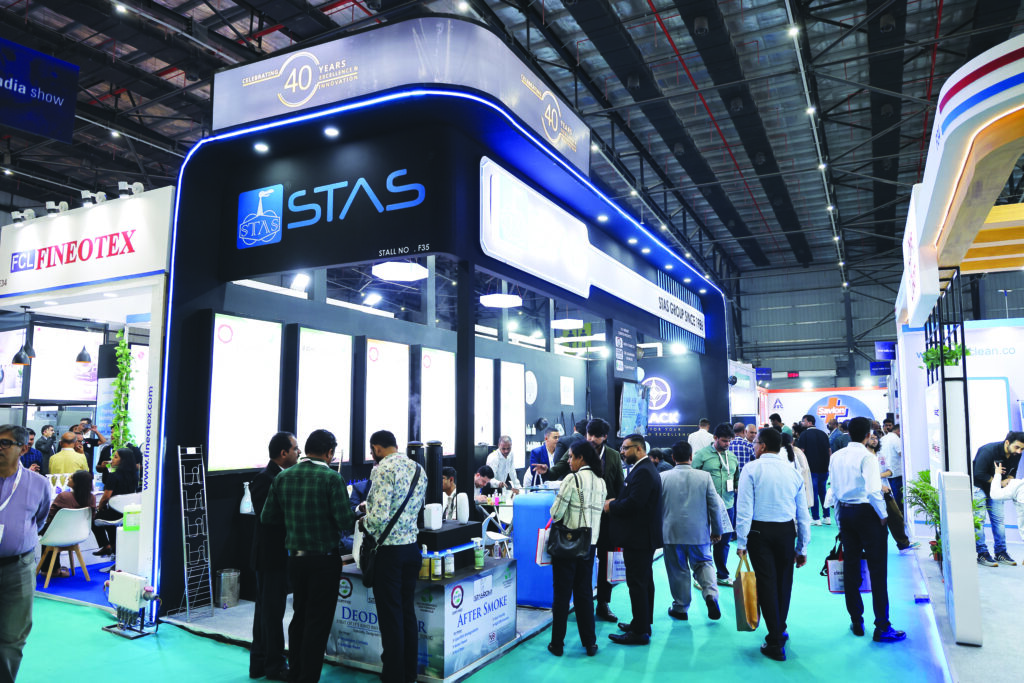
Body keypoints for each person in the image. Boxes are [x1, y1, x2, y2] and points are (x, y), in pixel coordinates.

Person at [261, 429, 354, 683]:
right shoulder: (332, 478)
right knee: (318, 621)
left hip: (295, 559)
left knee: (299, 617)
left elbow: (267, 517)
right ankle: (308, 678)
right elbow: (345, 521)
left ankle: (296, 673)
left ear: (307, 449)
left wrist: (294, 521)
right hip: (324, 560)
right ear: (329, 453)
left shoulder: (283, 477)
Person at [735, 428, 811, 661]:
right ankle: (780, 627)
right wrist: (803, 547)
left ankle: (775, 640)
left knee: (766, 583)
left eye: (755, 443)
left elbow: (745, 509)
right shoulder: (792, 472)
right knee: (784, 582)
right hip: (786, 531)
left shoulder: (751, 469)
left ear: (763, 446)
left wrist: (741, 540)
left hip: (759, 532)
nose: (753, 446)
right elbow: (803, 513)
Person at [829, 417, 906, 643]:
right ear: (867, 435)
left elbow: (834, 490)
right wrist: (883, 515)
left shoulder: (836, 456)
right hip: (868, 514)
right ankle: (882, 626)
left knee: (851, 567)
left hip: (846, 513)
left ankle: (856, 620)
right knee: (877, 570)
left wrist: (839, 519)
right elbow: (873, 491)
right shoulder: (867, 456)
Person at [363, 430, 427, 683]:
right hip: (411, 549)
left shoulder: (383, 470)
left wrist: (362, 521)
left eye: (372, 451)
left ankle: (393, 676)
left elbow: (378, 518)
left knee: (391, 618)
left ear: (377, 448)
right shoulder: (419, 469)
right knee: (406, 613)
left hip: (389, 553)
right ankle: (409, 675)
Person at [0, 424, 51, 683]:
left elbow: (39, 520)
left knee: (12, 636)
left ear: (23, 449)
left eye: (5, 443)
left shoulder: (39, 484)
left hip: (17, 568)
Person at [249, 432, 301, 681]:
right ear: (283, 453)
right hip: (271, 557)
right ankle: (274, 665)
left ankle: (260, 663)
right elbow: (268, 517)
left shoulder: (280, 477)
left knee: (267, 611)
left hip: (277, 556)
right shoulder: (265, 479)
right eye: (295, 449)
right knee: (271, 612)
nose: (299, 453)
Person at [547, 441, 606, 658]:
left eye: (571, 457)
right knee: (585, 594)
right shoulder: (601, 482)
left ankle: (557, 644)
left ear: (581, 458)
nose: (569, 461)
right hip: (590, 545)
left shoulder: (572, 479)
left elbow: (555, 513)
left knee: (562, 596)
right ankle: (590, 643)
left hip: (568, 545)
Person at [605, 435, 661, 645]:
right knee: (644, 581)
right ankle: (642, 623)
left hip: (639, 537)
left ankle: (639, 632)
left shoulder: (644, 471)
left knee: (637, 583)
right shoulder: (643, 469)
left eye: (626, 448)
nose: (622, 451)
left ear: (639, 449)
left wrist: (611, 506)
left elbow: (635, 503)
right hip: (642, 536)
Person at [660, 441, 723, 622]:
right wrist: (717, 530)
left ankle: (681, 608)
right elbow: (714, 505)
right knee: (704, 563)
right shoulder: (704, 477)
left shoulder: (662, 477)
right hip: (699, 533)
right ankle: (710, 594)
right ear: (691, 456)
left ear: (673, 457)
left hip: (671, 533)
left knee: (678, 570)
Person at [586, 418, 624, 622]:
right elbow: (561, 469)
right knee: (584, 560)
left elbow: (619, 486)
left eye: (596, 436)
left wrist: (616, 506)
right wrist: (547, 472)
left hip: (607, 518)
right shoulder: (579, 450)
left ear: (605, 437)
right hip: (583, 519)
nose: (592, 439)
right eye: (589, 434)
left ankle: (603, 603)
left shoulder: (614, 455)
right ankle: (583, 602)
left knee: (607, 561)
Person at [692, 422, 739, 586]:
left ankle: (722, 575)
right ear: (715, 438)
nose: (727, 444)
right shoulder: (701, 455)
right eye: (724, 440)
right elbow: (692, 477)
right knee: (704, 542)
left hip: (728, 506)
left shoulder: (732, 457)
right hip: (706, 506)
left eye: (729, 441)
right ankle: (700, 577)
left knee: (724, 543)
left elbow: (736, 478)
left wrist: (736, 487)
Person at [972, 431, 1024, 567]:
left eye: (1022, 449)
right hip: (979, 486)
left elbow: (1012, 472)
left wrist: (1009, 480)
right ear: (1007, 442)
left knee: (999, 520)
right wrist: (998, 482)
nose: (1019, 451)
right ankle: (982, 553)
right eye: (1017, 447)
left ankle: (1001, 552)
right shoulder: (988, 451)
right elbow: (978, 473)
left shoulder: (1016, 454)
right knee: (979, 520)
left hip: (996, 489)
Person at [39, 470, 96, 578]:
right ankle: (55, 568)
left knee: (46, 530)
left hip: (58, 534)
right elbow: (91, 518)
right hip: (78, 534)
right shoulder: (92, 498)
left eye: (71, 477)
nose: (68, 478)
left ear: (77, 482)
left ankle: (49, 569)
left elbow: (50, 514)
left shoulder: (63, 496)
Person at [868, 432, 917, 553]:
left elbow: (890, 471)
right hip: (871, 493)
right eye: (872, 438)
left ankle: (903, 544)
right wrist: (877, 480)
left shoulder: (880, 455)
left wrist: (877, 476)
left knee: (896, 516)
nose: (874, 440)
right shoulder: (864, 457)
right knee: (876, 522)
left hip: (886, 491)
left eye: (876, 438)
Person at [91, 448, 139, 558]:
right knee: (107, 519)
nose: (112, 459)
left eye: (116, 457)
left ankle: (106, 545)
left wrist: (99, 507)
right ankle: (113, 546)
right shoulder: (134, 475)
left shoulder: (114, 476)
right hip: (127, 512)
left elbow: (106, 497)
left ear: (123, 460)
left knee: (94, 519)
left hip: (115, 512)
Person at [797, 415, 832, 527]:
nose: (802, 423)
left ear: (809, 422)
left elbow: (801, 452)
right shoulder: (823, 434)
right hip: (824, 468)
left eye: (803, 421)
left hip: (811, 469)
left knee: (813, 494)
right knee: (823, 492)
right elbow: (829, 451)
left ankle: (816, 518)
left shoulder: (804, 435)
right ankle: (827, 517)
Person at [879, 424, 903, 508]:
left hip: (885, 473)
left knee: (890, 499)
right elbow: (901, 454)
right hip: (896, 473)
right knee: (897, 500)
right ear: (899, 431)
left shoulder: (883, 439)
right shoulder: (896, 439)